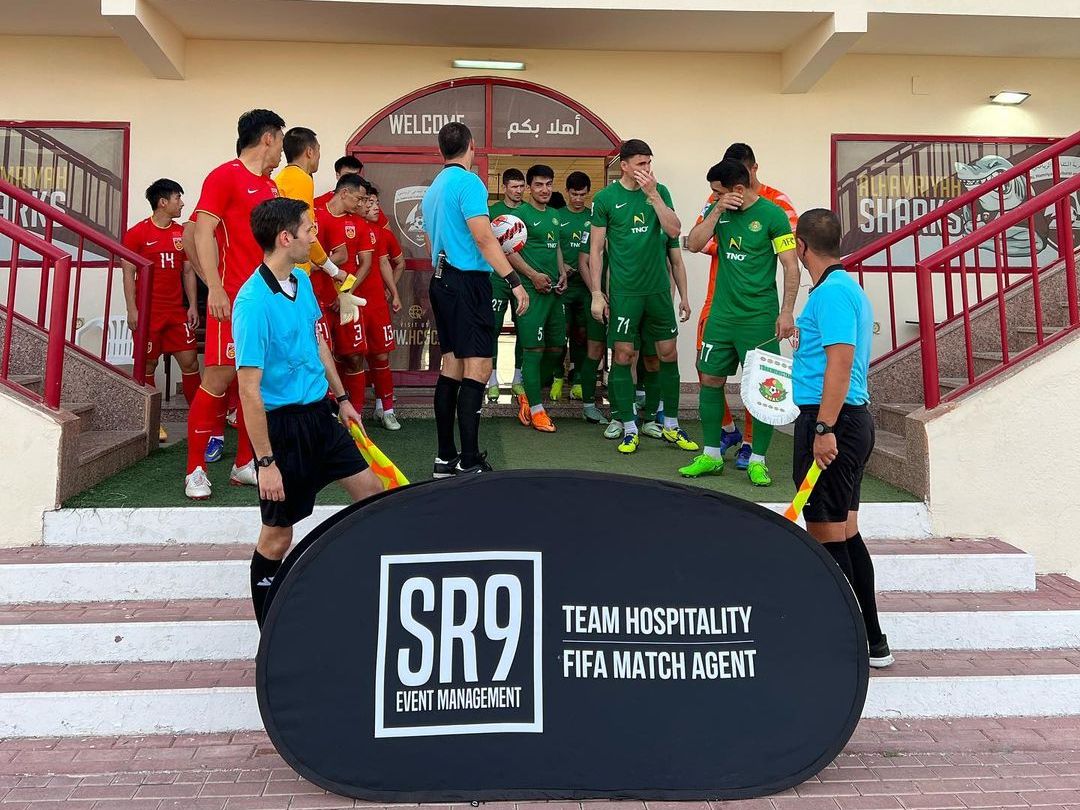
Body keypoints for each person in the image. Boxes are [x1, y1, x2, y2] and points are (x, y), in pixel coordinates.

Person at [234, 197, 382, 627]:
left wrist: (343, 399)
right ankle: (269, 634)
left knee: (372, 494)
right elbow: (248, 390)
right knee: (278, 537)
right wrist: (265, 464)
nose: (315, 238)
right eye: (309, 230)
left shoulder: (301, 281)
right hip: (282, 431)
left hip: (320, 416)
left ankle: (357, 586)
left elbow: (318, 344)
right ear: (286, 238)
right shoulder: (252, 302)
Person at [790, 208, 891, 668]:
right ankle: (872, 640)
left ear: (801, 246)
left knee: (827, 534)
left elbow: (841, 362)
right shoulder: (846, 289)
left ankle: (845, 643)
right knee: (846, 533)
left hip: (834, 423)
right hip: (848, 421)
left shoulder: (831, 294)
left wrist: (824, 428)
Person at [184, 109, 285, 500]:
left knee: (253, 380)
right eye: (280, 141)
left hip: (265, 300)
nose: (281, 150)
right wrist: (214, 287)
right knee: (218, 377)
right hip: (233, 300)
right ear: (267, 138)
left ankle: (244, 463)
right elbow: (198, 232)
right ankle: (195, 469)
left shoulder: (271, 186)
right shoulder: (224, 175)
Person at [682, 158, 798, 485]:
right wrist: (717, 210)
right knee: (710, 378)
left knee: (764, 387)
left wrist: (786, 311)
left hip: (759, 318)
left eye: (718, 192)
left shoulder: (773, 215)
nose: (714, 196)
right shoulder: (718, 210)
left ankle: (757, 460)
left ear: (738, 189)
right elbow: (693, 243)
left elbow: (791, 265)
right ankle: (711, 455)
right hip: (722, 315)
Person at [422, 122, 528, 476]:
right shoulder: (469, 183)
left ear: (441, 150)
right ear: (472, 146)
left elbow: (430, 241)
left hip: (442, 280)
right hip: (466, 282)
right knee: (480, 367)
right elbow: (483, 238)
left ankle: (445, 458)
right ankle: (469, 461)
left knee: (451, 365)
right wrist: (514, 280)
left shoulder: (433, 188)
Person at [587, 139, 695, 455]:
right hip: (625, 292)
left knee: (667, 354)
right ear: (624, 166)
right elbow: (596, 250)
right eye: (640, 164)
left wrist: (654, 195)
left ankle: (670, 423)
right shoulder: (606, 198)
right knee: (623, 355)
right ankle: (629, 426)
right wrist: (597, 293)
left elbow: (674, 231)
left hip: (657, 291)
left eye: (649, 163)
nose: (646, 169)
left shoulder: (661, 192)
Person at [122, 178, 201, 443]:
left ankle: (201, 419)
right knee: (148, 363)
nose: (182, 203)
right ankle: (153, 422)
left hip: (176, 311)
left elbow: (188, 271)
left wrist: (192, 305)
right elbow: (128, 273)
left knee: (190, 361)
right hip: (149, 313)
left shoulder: (181, 234)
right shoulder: (137, 234)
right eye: (178, 198)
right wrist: (132, 310)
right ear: (163, 202)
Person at [509, 164, 567, 433]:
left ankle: (526, 392)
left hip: (554, 292)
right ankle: (536, 409)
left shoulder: (554, 214)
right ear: (529, 188)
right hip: (532, 293)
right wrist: (533, 276)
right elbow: (508, 252)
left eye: (548, 184)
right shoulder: (519, 215)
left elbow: (555, 247)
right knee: (533, 351)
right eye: (539, 185)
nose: (544, 189)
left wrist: (562, 272)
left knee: (556, 349)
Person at [315, 174, 373, 410]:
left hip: (346, 298)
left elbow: (363, 263)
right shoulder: (315, 214)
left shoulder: (357, 223)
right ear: (344, 193)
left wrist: (345, 292)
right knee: (322, 357)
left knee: (354, 355)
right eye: (359, 198)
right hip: (317, 300)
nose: (361, 204)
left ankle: (355, 415)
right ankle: (329, 413)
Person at [273, 127, 346, 285]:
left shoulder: (282, 178)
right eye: (318, 150)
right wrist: (333, 270)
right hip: (295, 271)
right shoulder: (301, 179)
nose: (319, 156)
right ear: (310, 152)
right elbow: (305, 232)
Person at [360, 185, 404, 430]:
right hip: (352, 304)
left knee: (381, 355)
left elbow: (387, 263)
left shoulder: (381, 233)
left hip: (376, 304)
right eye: (370, 202)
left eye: (377, 203)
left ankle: (386, 409)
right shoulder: (346, 226)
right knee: (351, 358)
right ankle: (352, 413)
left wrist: (393, 293)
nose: (375, 207)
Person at [552, 171, 592, 405]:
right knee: (561, 334)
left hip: (585, 287)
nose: (578, 199)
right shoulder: (557, 216)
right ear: (567, 192)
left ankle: (578, 380)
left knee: (582, 335)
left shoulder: (593, 216)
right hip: (563, 286)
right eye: (574, 194)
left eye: (582, 195)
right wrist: (562, 267)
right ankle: (557, 376)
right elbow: (552, 246)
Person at [488, 168, 527, 402]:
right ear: (504, 187)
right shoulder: (492, 212)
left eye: (521, 186)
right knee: (493, 328)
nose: (518, 191)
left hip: (521, 280)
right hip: (497, 279)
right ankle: (492, 380)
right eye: (514, 186)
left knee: (523, 329)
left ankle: (517, 379)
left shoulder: (528, 211)